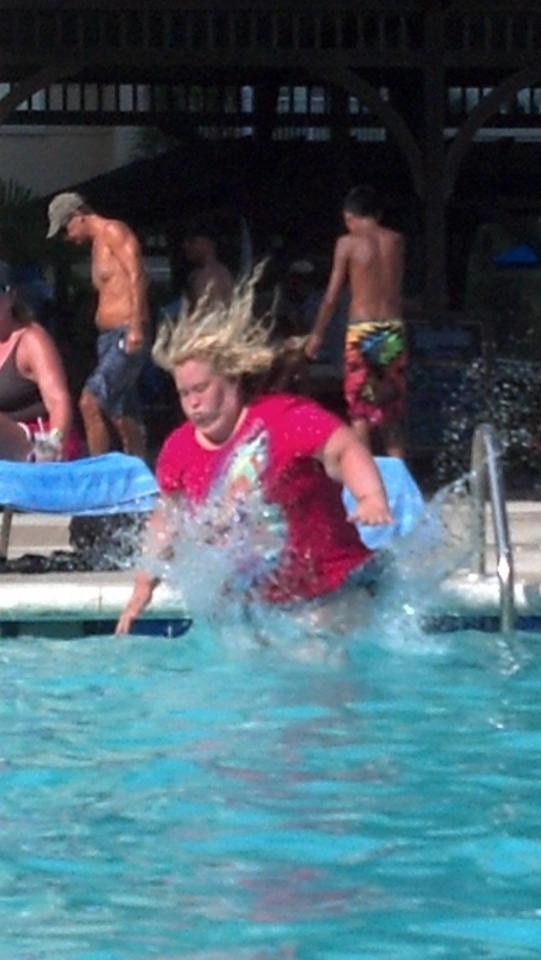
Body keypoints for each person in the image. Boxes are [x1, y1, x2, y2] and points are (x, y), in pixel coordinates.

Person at [115, 272, 392, 637]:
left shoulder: (283, 420)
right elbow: (168, 516)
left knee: (314, 662)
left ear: (231, 380)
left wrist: (370, 497)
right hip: (260, 604)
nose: (193, 403)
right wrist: (142, 585)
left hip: (335, 590)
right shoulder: (179, 448)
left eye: (201, 389)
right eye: (184, 394)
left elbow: (345, 448)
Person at [305, 185, 407, 459]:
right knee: (390, 410)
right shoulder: (396, 241)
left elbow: (331, 296)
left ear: (349, 216)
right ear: (378, 213)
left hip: (362, 331)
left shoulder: (347, 243)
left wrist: (316, 335)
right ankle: (401, 488)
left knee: (360, 411)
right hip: (393, 330)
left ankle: (365, 485)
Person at [46, 191, 150, 458]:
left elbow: (136, 274)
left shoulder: (114, 231)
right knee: (121, 407)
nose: (67, 238)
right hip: (108, 336)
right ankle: (137, 466)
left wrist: (136, 326)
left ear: (78, 215)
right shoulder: (96, 246)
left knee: (89, 401)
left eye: (65, 229)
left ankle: (96, 471)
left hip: (126, 330)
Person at [0, 262, 79, 461]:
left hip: (41, 440)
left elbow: (58, 401)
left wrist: (52, 447)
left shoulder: (31, 340)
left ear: (10, 297)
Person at [182, 223, 234, 312]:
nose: (185, 245)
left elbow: (208, 314)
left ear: (208, 244)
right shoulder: (197, 274)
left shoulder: (213, 275)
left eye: (192, 241)